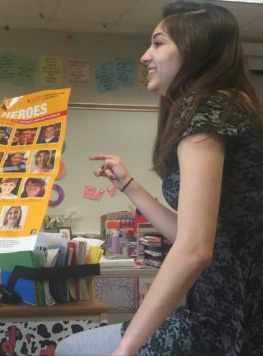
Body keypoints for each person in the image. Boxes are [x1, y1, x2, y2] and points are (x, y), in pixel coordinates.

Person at [56, 2, 263, 355]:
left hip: (226, 327)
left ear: (194, 48)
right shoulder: (229, 104)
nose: (144, 56)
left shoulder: (206, 108)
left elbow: (195, 250)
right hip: (229, 316)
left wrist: (128, 347)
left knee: (72, 350)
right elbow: (191, 235)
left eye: (158, 43)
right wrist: (128, 185)